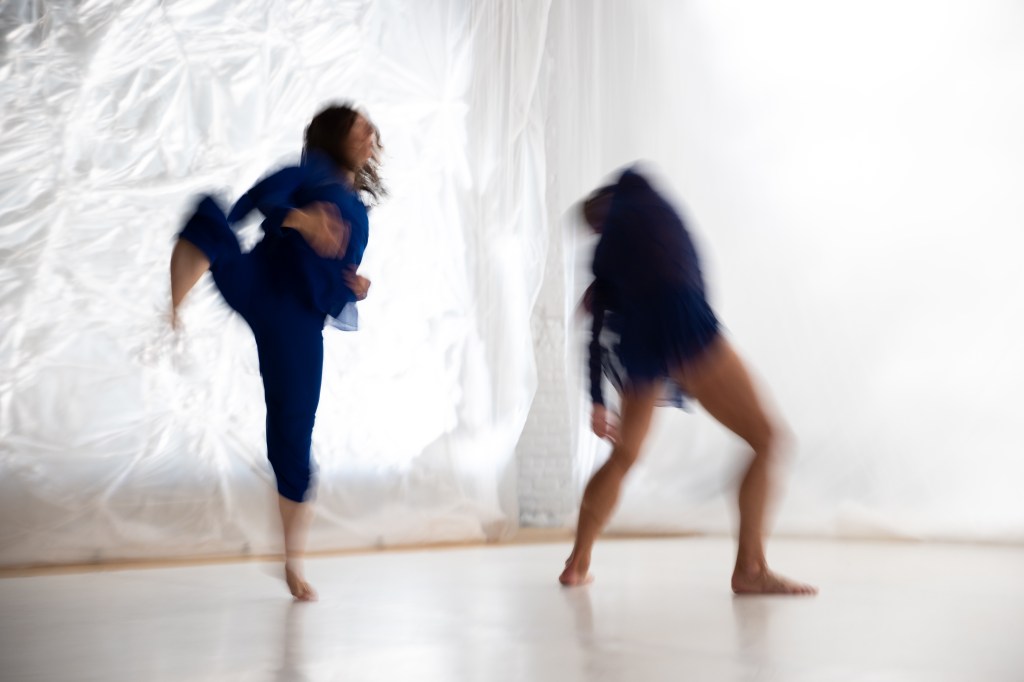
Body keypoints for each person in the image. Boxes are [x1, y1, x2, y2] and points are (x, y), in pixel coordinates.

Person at [561, 167, 816, 595]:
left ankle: (577, 563)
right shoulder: (642, 199)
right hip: (682, 324)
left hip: (641, 340)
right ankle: (750, 569)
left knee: (625, 455)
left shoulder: (613, 245)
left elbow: (595, 326)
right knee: (768, 439)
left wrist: (597, 399)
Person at [169, 104, 384, 601]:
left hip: (298, 324)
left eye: (370, 130)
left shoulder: (358, 210)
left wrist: (355, 287)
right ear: (335, 138)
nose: (369, 134)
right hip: (260, 283)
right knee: (208, 215)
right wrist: (302, 219)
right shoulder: (309, 174)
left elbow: (334, 281)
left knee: (292, 436)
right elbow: (257, 199)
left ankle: (292, 564)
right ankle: (172, 314)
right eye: (359, 128)